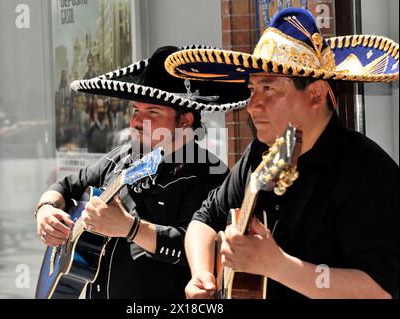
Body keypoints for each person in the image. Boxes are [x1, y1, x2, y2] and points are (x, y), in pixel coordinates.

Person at [164, 8, 399, 299]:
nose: (251, 105)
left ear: (316, 93)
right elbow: (204, 219)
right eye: (252, 89)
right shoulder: (260, 153)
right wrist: (202, 272)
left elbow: (381, 289)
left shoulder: (366, 170)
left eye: (268, 88)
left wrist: (278, 266)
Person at [34, 46, 250, 299]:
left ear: (185, 121)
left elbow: (202, 250)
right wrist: (45, 210)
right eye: (136, 111)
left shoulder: (211, 176)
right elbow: (66, 186)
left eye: (152, 113)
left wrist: (130, 228)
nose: (137, 121)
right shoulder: (121, 157)